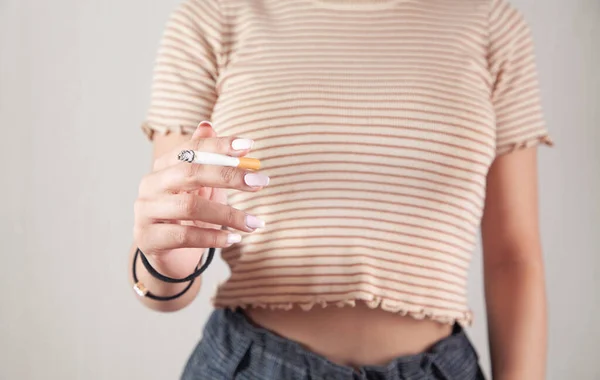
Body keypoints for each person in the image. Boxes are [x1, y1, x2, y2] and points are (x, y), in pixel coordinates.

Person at [129, 0, 553, 379]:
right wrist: (167, 261)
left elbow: (513, 258)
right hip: (252, 366)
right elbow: (167, 253)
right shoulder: (211, 16)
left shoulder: (492, 23)